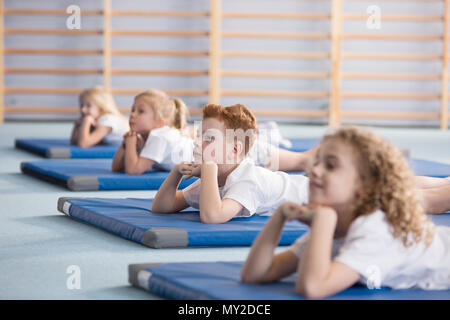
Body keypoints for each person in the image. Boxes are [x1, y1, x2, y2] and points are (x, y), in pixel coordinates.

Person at [241, 126, 450, 298]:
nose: (314, 170)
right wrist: (279, 217)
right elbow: (256, 274)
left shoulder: (375, 228)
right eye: (317, 162)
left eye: (330, 166)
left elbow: (311, 288)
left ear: (364, 186)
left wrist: (323, 221)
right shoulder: (339, 223)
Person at [151, 103, 310, 224]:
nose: (197, 143)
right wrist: (176, 173)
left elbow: (213, 216)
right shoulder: (212, 180)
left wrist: (209, 170)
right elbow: (162, 207)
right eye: (198, 136)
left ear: (234, 149)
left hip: (312, 193)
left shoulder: (247, 180)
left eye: (209, 138)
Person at [111, 89, 193, 174]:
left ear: (160, 123)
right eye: (133, 110)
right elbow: (116, 168)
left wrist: (131, 144)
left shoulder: (160, 137)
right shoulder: (143, 137)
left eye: (141, 111)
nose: (132, 114)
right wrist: (125, 145)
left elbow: (133, 170)